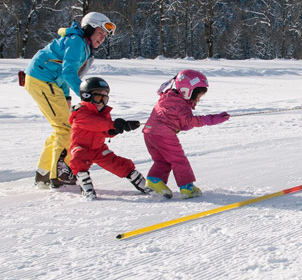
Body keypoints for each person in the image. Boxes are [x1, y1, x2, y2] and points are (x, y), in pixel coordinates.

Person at [24, 12, 115, 188]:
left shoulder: (83, 45)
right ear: (89, 28)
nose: (102, 39)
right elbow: (68, 72)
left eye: (105, 36)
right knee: (65, 128)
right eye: (100, 33)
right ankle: (59, 174)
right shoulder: (77, 42)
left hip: (49, 81)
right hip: (42, 78)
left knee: (63, 127)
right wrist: (86, 96)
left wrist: (66, 96)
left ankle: (44, 174)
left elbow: (63, 72)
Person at [142, 70, 231, 199]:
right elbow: (191, 121)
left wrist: (182, 124)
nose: (198, 100)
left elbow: (177, 120)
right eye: (198, 96)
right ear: (187, 91)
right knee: (179, 160)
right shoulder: (181, 104)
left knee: (162, 159)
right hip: (164, 134)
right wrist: (213, 119)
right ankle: (187, 188)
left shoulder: (168, 98)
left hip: (149, 133)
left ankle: (154, 181)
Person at [68, 77, 149, 200]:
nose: (101, 102)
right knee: (79, 158)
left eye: (104, 98)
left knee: (117, 163)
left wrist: (119, 128)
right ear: (86, 96)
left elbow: (105, 131)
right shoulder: (80, 112)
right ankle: (85, 186)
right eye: (98, 97)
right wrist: (114, 124)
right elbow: (95, 124)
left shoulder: (103, 112)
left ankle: (140, 181)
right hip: (81, 147)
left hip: (98, 149)